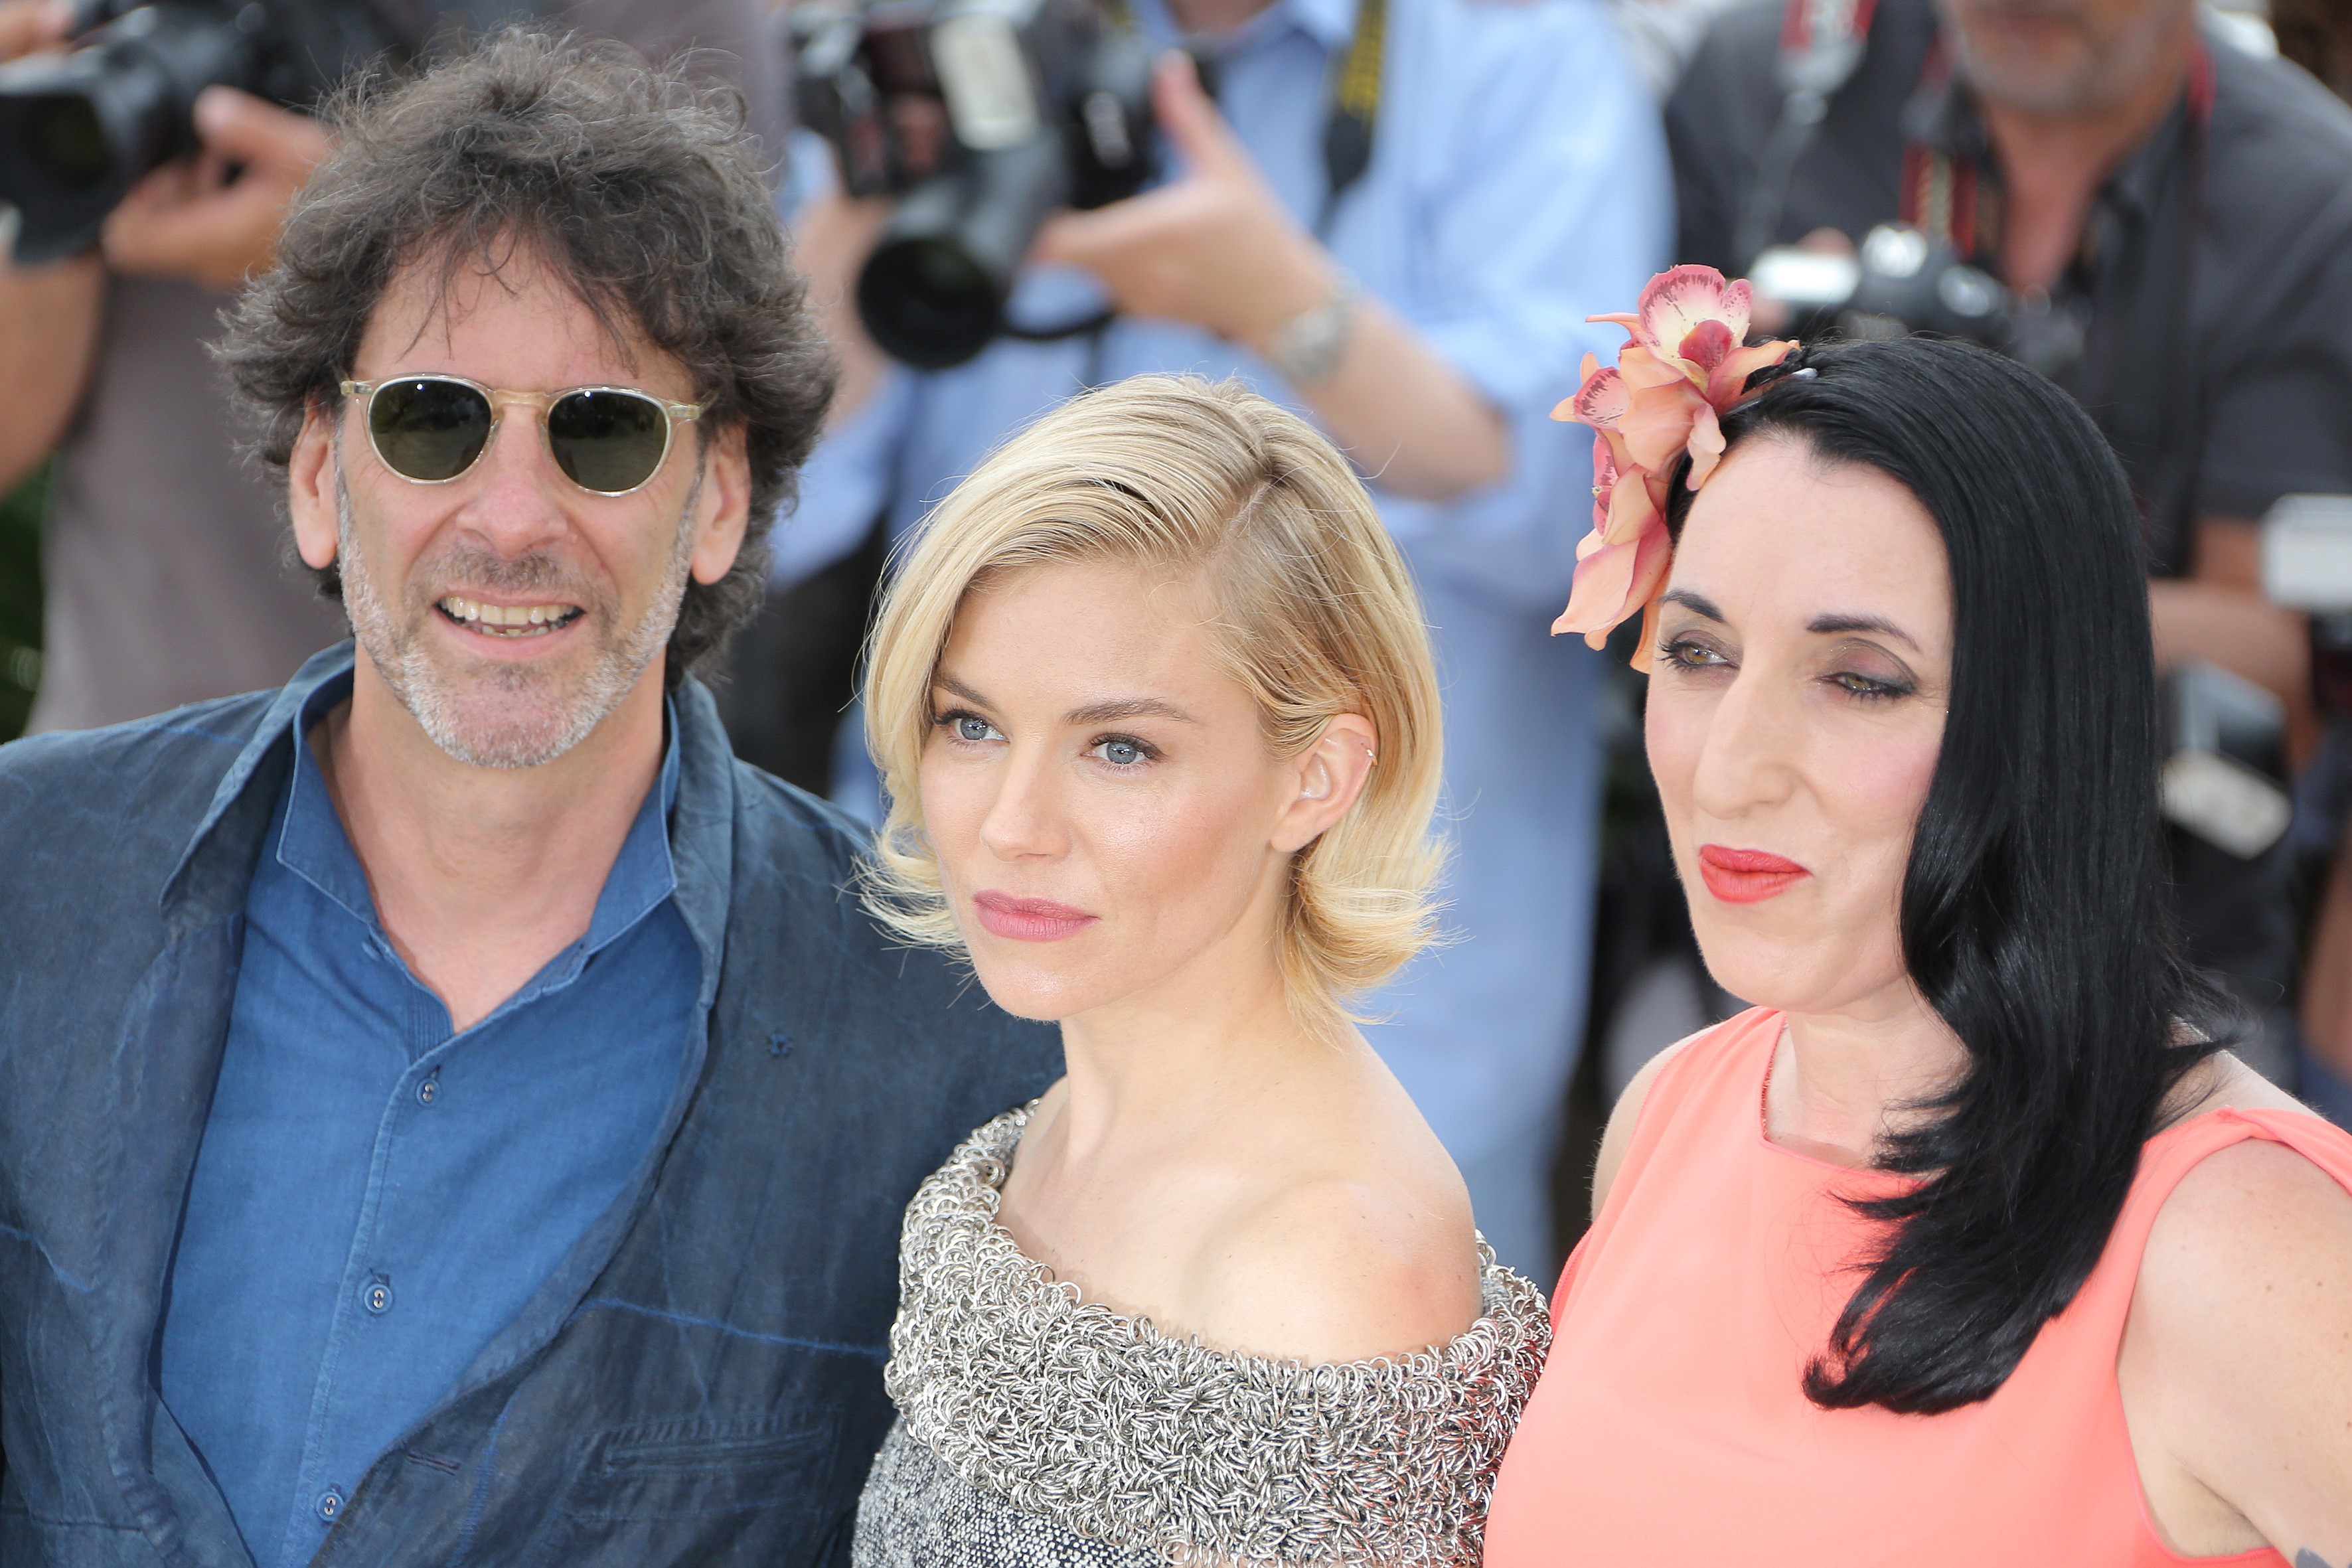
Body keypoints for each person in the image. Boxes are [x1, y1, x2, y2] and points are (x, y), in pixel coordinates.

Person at [0, 34, 1057, 1568]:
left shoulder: (953, 1040)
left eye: (601, 430)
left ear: (716, 499)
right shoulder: (26, 875)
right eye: (432, 420)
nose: (510, 517)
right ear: (319, 474)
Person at [777, 0, 1670, 1281]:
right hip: (955, 971)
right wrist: (868, 212)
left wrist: (1279, 304)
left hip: (1376, 1028)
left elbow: (1577, 517)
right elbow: (768, 510)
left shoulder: (1513, 50)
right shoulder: (977, 29)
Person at [1480, 305, 2352, 1558]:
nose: (1729, 768)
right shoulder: (1672, 1109)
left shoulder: (2233, 1240)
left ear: (2042, 722)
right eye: (1697, 651)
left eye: (1858, 679)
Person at [844, 375, 1550, 1568]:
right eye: (971, 724)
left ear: (1314, 778)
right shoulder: (1061, 1125)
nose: (1012, 824)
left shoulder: (1320, 1272)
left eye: (1118, 747)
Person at [1660, 0, 2352, 1083]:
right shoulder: (1776, 84)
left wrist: (1930, 591)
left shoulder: (2301, 199)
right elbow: (1618, 507)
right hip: (1776, 926)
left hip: (2141, 944)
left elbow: (2274, 679)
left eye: (1863, 674)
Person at [0, 0, 788, 734]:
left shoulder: (664, 17)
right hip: (135, 744)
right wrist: (55, 191)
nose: (511, 520)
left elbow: (697, 367)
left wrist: (341, 242)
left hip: (529, 769)